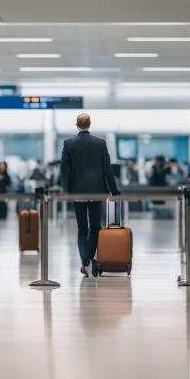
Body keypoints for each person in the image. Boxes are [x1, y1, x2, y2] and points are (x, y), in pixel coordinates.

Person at [60, 113, 120, 278]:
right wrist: (113, 190)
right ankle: (89, 258)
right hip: (96, 191)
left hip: (77, 192)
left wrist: (65, 191)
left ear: (76, 125)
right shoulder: (100, 143)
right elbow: (107, 169)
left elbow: (65, 170)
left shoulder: (68, 143)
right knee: (95, 227)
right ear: (90, 124)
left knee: (82, 229)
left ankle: (85, 260)